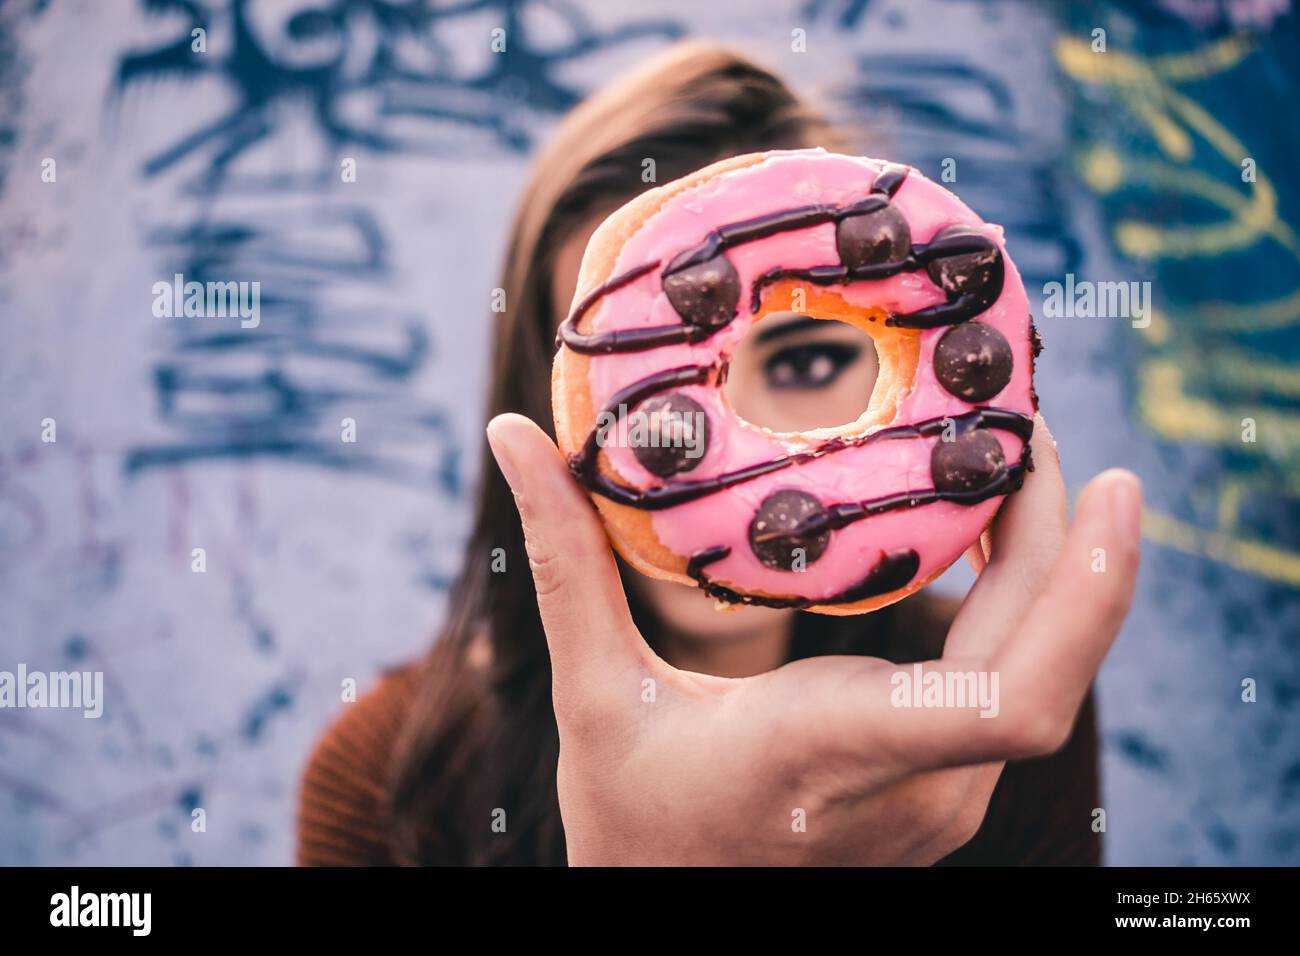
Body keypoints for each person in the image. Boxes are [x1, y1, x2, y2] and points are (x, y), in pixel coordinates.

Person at [297, 41, 1141, 866]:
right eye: (642, 384)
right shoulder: (389, 780)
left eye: (808, 362)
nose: (711, 449)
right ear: (551, 410)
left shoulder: (989, 715)